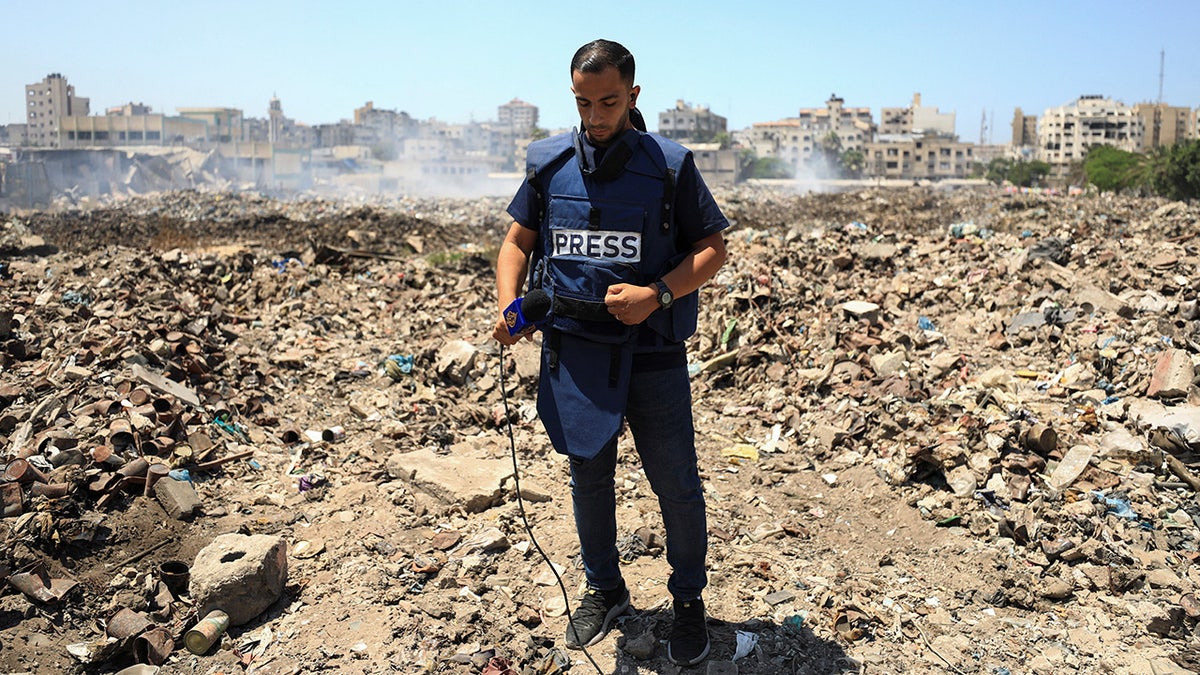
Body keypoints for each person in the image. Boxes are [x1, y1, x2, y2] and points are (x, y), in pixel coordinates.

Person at [492, 39, 729, 667]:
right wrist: (510, 306)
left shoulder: (670, 165)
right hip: (575, 352)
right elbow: (517, 242)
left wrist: (657, 292)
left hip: (651, 351)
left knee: (676, 485)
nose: (596, 116)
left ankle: (687, 603)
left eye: (609, 101)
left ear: (633, 95)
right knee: (587, 477)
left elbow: (711, 249)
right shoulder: (548, 165)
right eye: (583, 102)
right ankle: (606, 589)